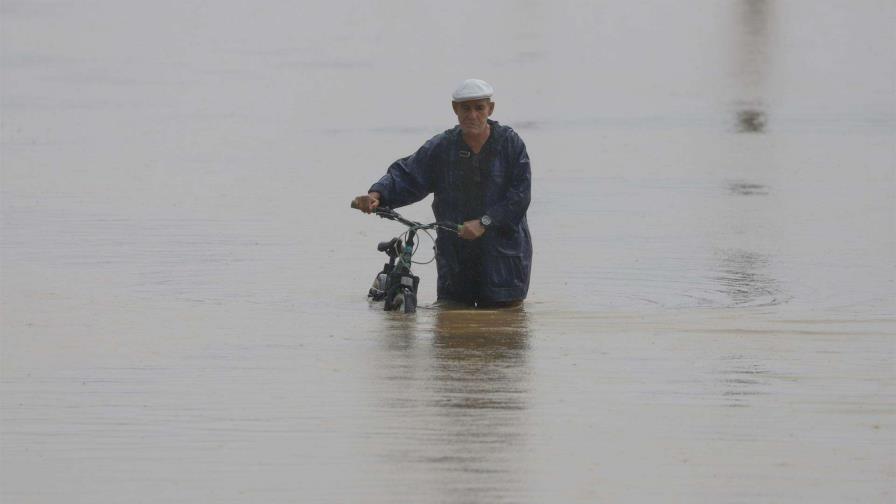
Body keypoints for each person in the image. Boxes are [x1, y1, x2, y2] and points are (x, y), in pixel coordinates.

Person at [352, 79, 532, 308]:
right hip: (455, 259)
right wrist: (377, 194)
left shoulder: (511, 145)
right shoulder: (442, 147)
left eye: (479, 108)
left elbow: (520, 196)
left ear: (491, 109)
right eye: (466, 108)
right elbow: (408, 174)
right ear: (455, 109)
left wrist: (484, 222)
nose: (472, 115)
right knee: (450, 324)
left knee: (503, 329)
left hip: (504, 261)